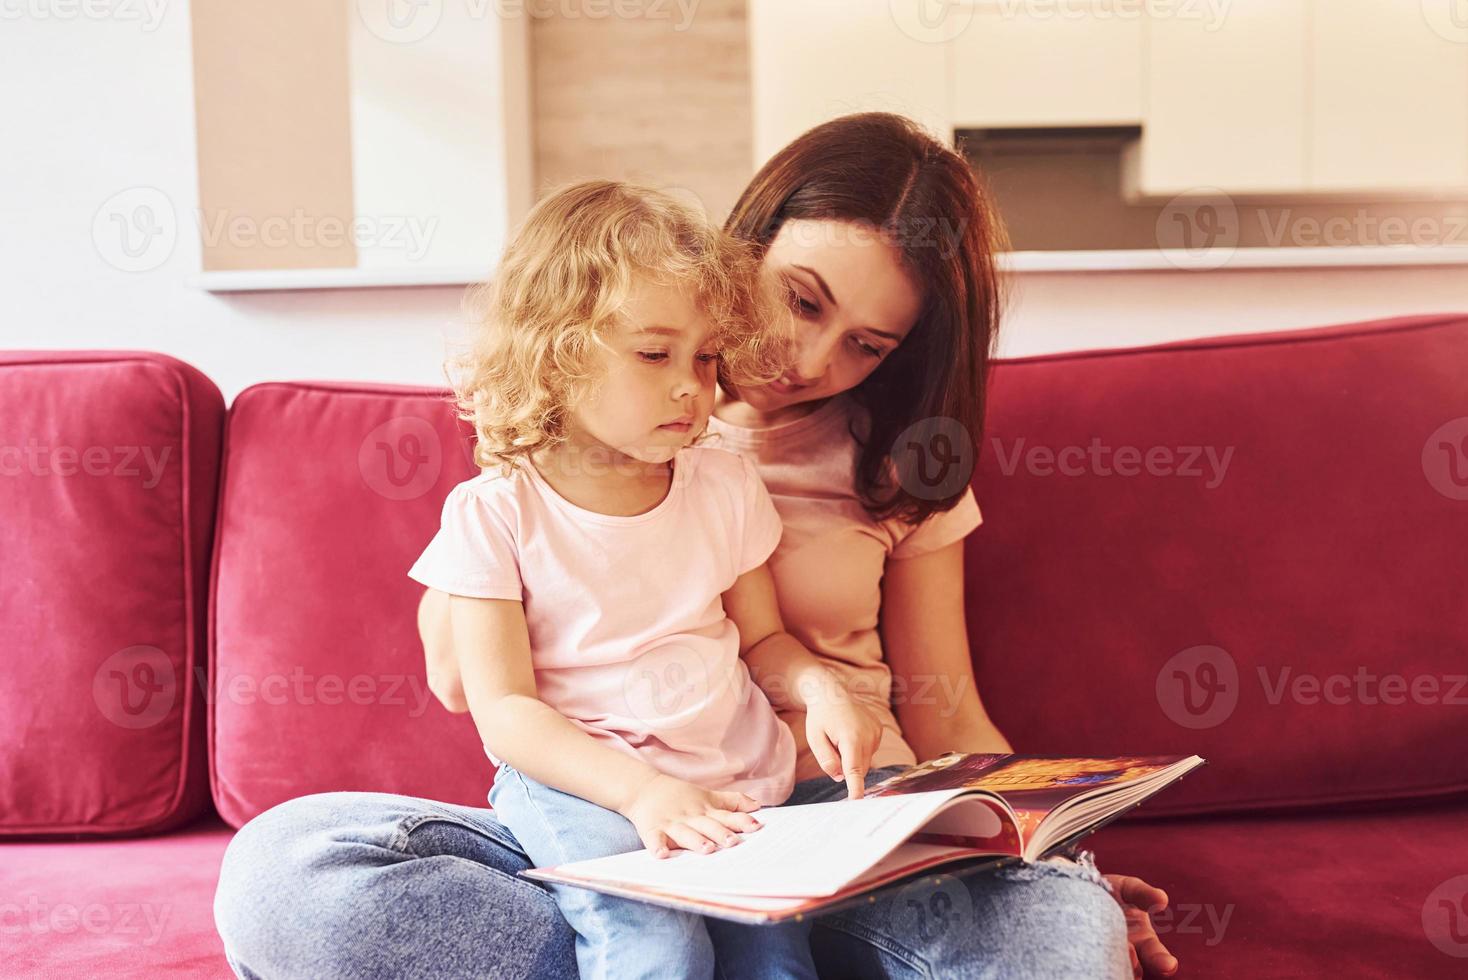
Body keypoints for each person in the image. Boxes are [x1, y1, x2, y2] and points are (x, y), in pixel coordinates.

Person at [215, 112, 1180, 979]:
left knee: (1061, 936)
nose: (809, 361)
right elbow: (469, 687)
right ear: (741, 251)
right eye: (802, 301)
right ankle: (654, 948)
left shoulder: (904, 468)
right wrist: (563, 464)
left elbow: (951, 706)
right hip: (620, 816)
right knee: (287, 872)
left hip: (845, 830)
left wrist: (1064, 866)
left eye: (867, 346)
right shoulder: (587, 433)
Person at [402, 177, 881, 980]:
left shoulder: (722, 478)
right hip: (583, 787)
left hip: (730, 778)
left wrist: (822, 687)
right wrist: (641, 792)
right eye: (654, 355)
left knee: (777, 960)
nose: (692, 386)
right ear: (551, 356)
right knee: (656, 951)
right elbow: (504, 712)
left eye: (706, 356)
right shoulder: (495, 512)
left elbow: (764, 639)